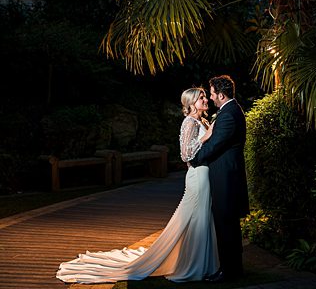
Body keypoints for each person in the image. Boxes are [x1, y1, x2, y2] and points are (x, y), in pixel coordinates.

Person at [56, 87, 219, 283]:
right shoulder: (190, 123)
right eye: (201, 97)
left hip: (204, 174)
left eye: (204, 96)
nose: (205, 99)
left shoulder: (202, 121)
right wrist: (206, 136)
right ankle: (192, 265)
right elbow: (186, 154)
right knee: (195, 217)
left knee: (200, 217)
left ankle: (199, 261)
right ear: (191, 102)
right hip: (197, 176)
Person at [189, 75, 250, 283]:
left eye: (213, 93)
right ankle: (232, 269)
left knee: (226, 224)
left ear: (221, 95)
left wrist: (195, 159)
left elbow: (215, 145)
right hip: (226, 176)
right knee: (227, 224)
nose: (211, 97)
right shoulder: (229, 111)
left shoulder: (228, 115)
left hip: (226, 178)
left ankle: (230, 272)